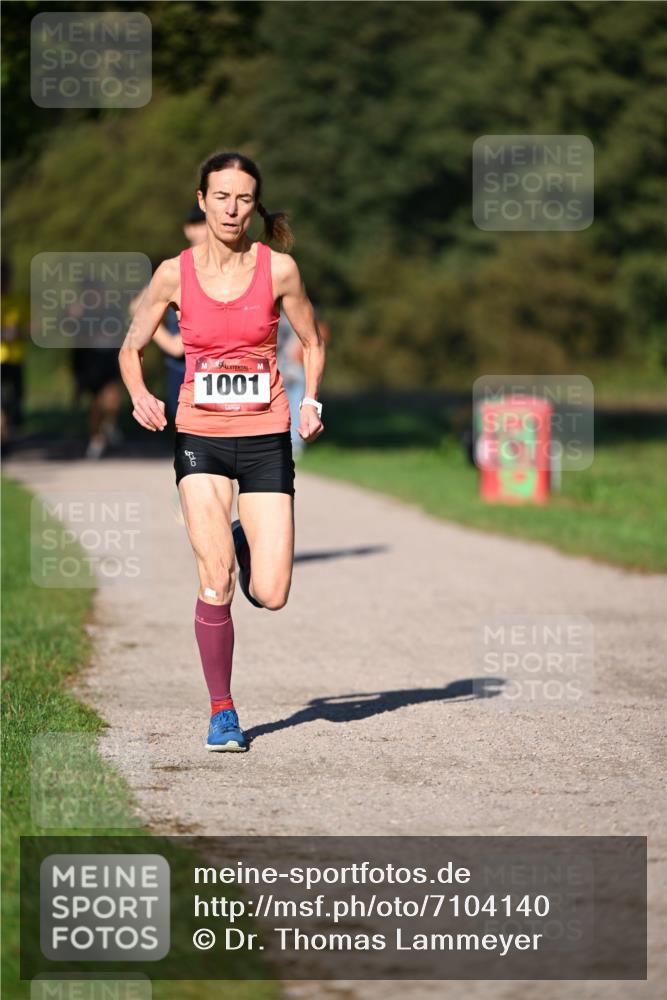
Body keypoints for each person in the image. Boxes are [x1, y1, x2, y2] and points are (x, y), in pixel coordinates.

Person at [119, 151, 326, 753]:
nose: (232, 209)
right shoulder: (172, 274)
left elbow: (310, 340)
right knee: (216, 581)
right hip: (200, 438)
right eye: (221, 197)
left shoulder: (280, 269)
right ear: (202, 199)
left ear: (253, 204)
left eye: (243, 199)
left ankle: (240, 538)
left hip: (265, 437)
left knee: (272, 593)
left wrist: (312, 401)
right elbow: (131, 348)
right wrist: (139, 395)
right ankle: (222, 712)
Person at [1, 259, 27, 451]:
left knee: (14, 401)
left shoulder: (20, 300)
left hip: (16, 359)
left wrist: (18, 332)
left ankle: (7, 433)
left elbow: (34, 328)